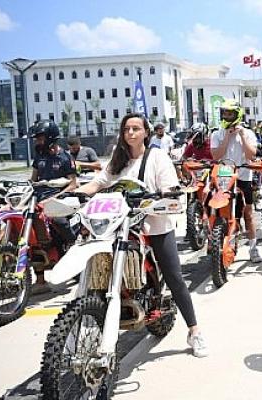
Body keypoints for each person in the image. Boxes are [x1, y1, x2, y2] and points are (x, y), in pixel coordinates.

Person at [75, 113, 208, 357]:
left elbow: (169, 187)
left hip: (154, 225)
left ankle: (194, 330)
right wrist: (75, 194)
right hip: (120, 226)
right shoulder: (118, 159)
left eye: (136, 128)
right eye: (126, 129)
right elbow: (99, 182)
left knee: (174, 277)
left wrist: (167, 194)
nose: (131, 133)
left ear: (146, 132)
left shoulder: (157, 157)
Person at [29, 120, 78, 294]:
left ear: (50, 137)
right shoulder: (39, 157)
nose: (37, 142)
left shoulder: (65, 157)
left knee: (59, 221)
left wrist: (52, 199)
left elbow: (73, 184)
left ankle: (73, 246)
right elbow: (33, 180)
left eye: (40, 138)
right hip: (38, 200)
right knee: (30, 233)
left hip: (58, 200)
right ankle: (40, 281)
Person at [210, 100, 262, 263]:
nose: (227, 116)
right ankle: (221, 243)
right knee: (222, 212)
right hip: (223, 178)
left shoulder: (248, 133)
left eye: (230, 113)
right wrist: (227, 136)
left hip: (243, 176)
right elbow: (216, 156)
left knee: (247, 214)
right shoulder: (217, 134)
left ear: (237, 114)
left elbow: (251, 155)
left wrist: (241, 136)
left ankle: (253, 248)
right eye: (225, 113)